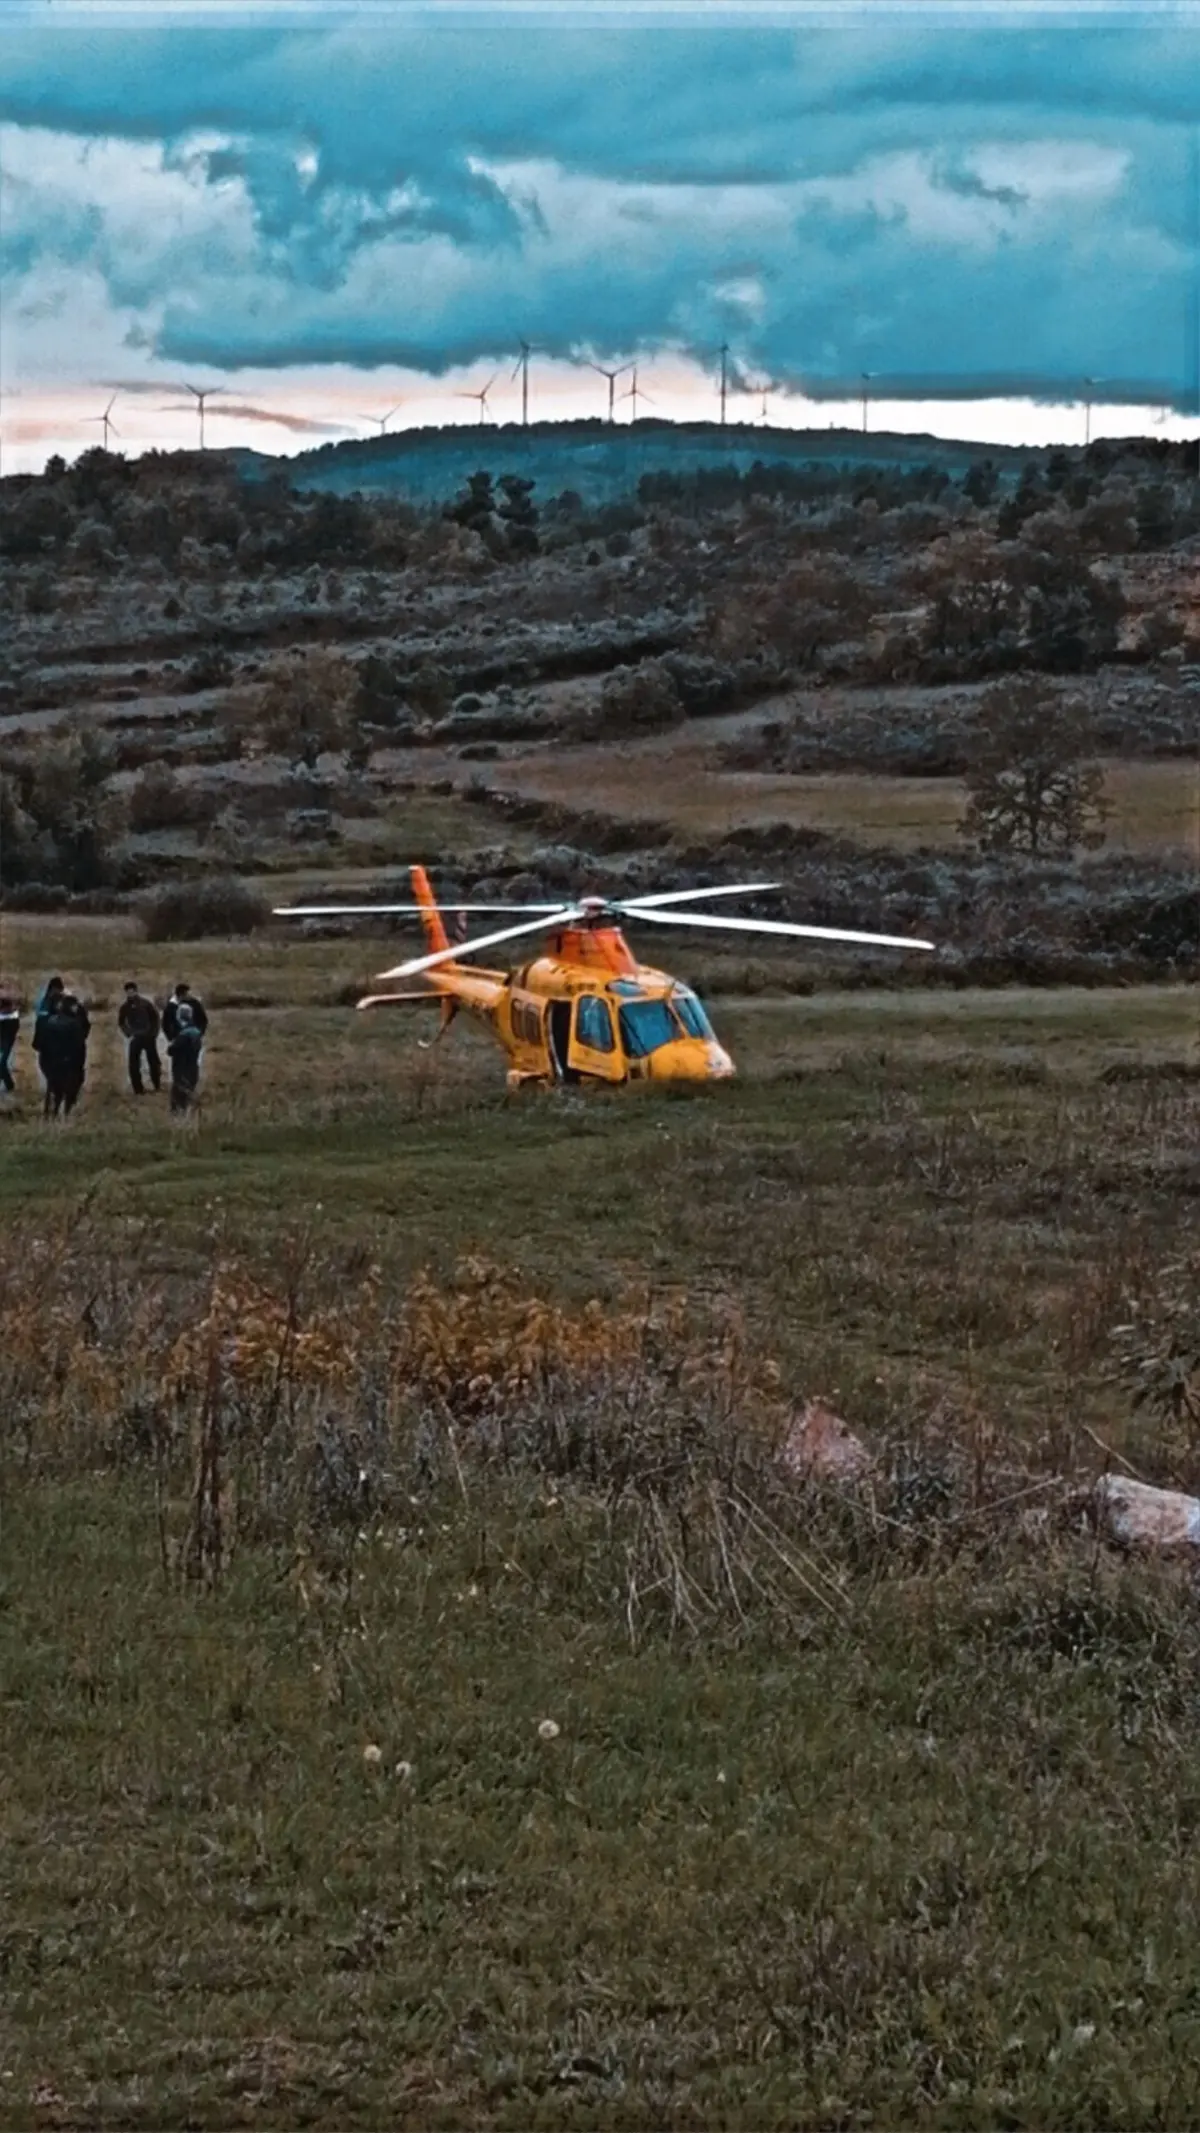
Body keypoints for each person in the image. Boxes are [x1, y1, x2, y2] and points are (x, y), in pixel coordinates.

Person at [35, 991, 88, 1119]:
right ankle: (66, 1113)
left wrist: (45, 1061)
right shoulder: (74, 1024)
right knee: (70, 1090)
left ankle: (50, 1115)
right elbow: (79, 1046)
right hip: (69, 1063)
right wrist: (78, 1065)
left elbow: (39, 1044)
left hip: (51, 1062)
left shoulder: (48, 1022)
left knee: (54, 1089)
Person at [118, 980, 162, 1094]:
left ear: (136, 991)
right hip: (135, 1038)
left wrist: (154, 1033)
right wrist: (128, 1033)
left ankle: (157, 1084)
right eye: (128, 992)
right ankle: (138, 1089)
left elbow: (155, 1018)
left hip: (148, 1037)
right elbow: (121, 1022)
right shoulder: (125, 1007)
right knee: (133, 1064)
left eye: (132, 991)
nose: (130, 994)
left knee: (154, 1062)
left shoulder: (146, 1003)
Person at [167, 1000, 203, 1115]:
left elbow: (171, 1050)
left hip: (181, 1068)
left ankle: (178, 1117)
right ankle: (190, 1114)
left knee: (179, 1095)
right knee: (190, 1092)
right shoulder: (196, 1032)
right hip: (193, 1067)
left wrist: (172, 1045)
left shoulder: (183, 1035)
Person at [0, 992, 18, 1095]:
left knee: (2, 1064)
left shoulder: (12, 1019)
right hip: (4, 1042)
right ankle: (9, 1085)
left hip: (6, 1042)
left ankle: (9, 1085)